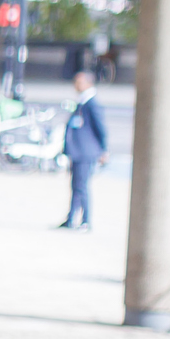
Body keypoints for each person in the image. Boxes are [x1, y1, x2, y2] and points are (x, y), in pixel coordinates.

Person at [58, 66, 109, 230]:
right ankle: (71, 218)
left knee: (82, 186)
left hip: (86, 151)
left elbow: (100, 128)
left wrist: (103, 150)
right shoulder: (82, 102)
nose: (76, 85)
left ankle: (85, 220)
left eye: (79, 82)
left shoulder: (92, 103)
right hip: (78, 151)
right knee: (76, 185)